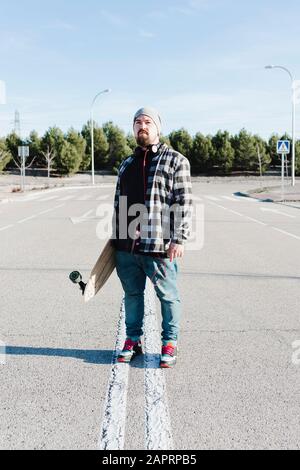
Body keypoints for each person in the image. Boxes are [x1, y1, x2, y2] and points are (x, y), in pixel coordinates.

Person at [112, 107, 192, 368]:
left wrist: (179, 238)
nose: (141, 126)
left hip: (159, 245)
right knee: (132, 295)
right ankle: (133, 340)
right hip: (127, 247)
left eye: (147, 122)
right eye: (137, 122)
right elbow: (117, 204)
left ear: (158, 127)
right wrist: (116, 239)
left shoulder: (176, 161)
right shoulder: (126, 163)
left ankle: (170, 342)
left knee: (167, 296)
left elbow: (183, 201)